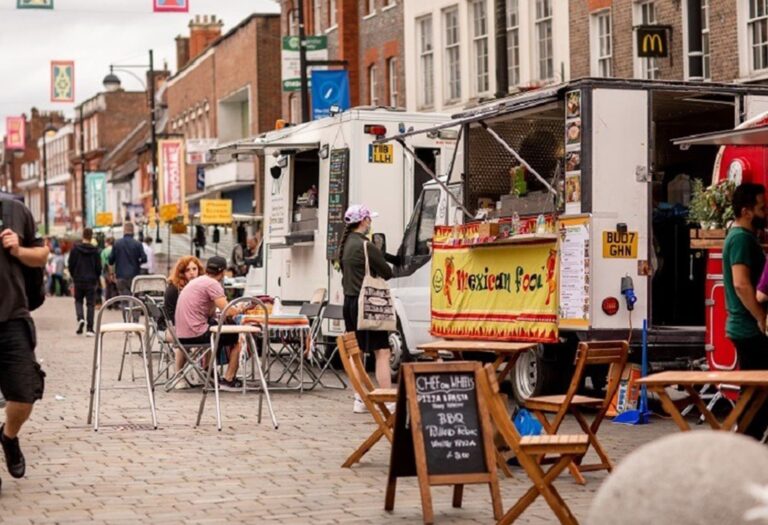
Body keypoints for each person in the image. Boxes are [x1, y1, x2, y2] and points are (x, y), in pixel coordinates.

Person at [0, 197, 49, 492]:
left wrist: (18, 250)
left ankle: (8, 436)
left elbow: (42, 255)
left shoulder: (14, 210)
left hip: (12, 316)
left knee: (24, 395)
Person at [338, 204, 394, 413]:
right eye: (369, 219)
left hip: (349, 303)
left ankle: (359, 398)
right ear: (363, 221)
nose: (371, 222)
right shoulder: (366, 245)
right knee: (382, 351)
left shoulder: (345, 246)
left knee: (357, 352)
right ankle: (387, 399)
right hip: (367, 304)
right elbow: (387, 272)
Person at [723, 182, 768, 441]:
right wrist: (760, 316)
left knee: (755, 389)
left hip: (745, 325)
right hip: (748, 327)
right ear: (746, 211)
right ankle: (746, 444)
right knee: (756, 391)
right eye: (761, 207)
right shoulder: (740, 238)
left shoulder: (743, 236)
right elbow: (741, 283)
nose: (765, 212)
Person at [174, 256, 246, 391]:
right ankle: (229, 379)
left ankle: (209, 370)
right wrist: (241, 308)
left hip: (181, 335)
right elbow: (229, 311)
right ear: (223, 272)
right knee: (238, 336)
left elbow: (209, 311)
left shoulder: (198, 281)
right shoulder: (213, 284)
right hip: (196, 334)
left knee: (217, 328)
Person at [164, 255, 204, 384]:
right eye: (188, 270)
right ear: (181, 273)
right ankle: (179, 376)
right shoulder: (174, 289)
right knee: (184, 339)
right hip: (171, 327)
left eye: (194, 269)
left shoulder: (201, 286)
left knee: (211, 335)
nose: (192, 273)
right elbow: (170, 316)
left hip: (193, 326)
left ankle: (204, 373)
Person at [67, 228, 102, 337]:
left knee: (78, 301)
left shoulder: (75, 249)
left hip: (78, 279)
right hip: (91, 280)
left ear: (83, 236)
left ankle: (80, 318)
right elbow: (98, 267)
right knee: (90, 304)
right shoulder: (95, 251)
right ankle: (90, 329)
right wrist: (96, 277)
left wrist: (74, 275)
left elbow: (70, 264)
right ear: (91, 237)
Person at [108, 223, 146, 296]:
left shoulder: (117, 243)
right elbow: (144, 259)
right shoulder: (138, 244)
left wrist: (112, 273)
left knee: (124, 299)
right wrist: (138, 263)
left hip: (120, 276)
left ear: (124, 230)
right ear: (133, 230)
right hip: (135, 276)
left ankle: (125, 306)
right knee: (135, 300)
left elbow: (110, 260)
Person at [101, 237, 118, 307]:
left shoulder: (104, 251)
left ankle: (108, 304)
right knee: (115, 287)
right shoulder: (116, 250)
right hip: (116, 269)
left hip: (107, 270)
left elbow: (102, 262)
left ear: (107, 243)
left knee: (108, 287)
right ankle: (116, 303)